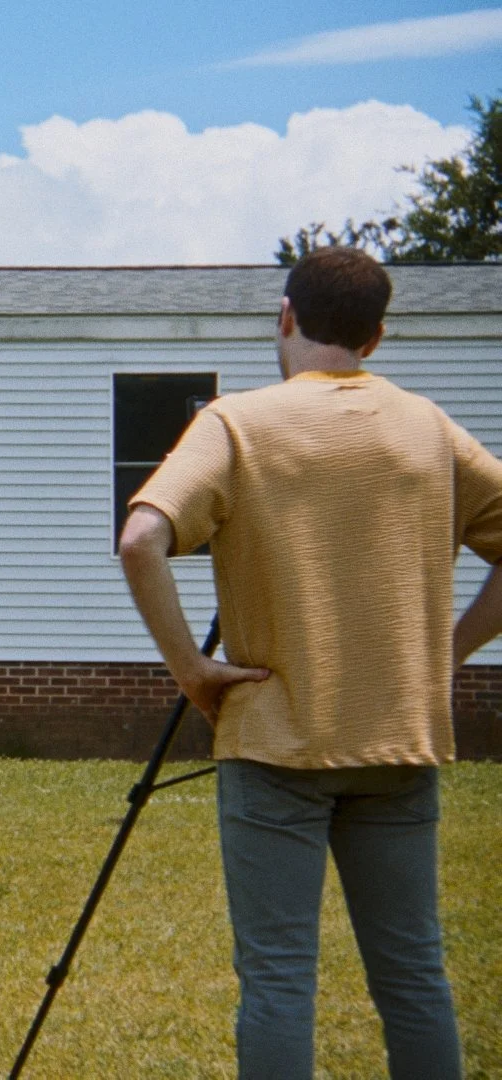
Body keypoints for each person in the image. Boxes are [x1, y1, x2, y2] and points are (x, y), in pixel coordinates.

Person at [119, 246, 502, 1079]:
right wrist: (448, 652)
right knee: (413, 976)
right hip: (399, 740)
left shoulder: (237, 423)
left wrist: (191, 670)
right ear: (376, 336)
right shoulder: (427, 427)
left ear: (285, 316)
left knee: (279, 979)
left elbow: (143, 537)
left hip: (273, 739)